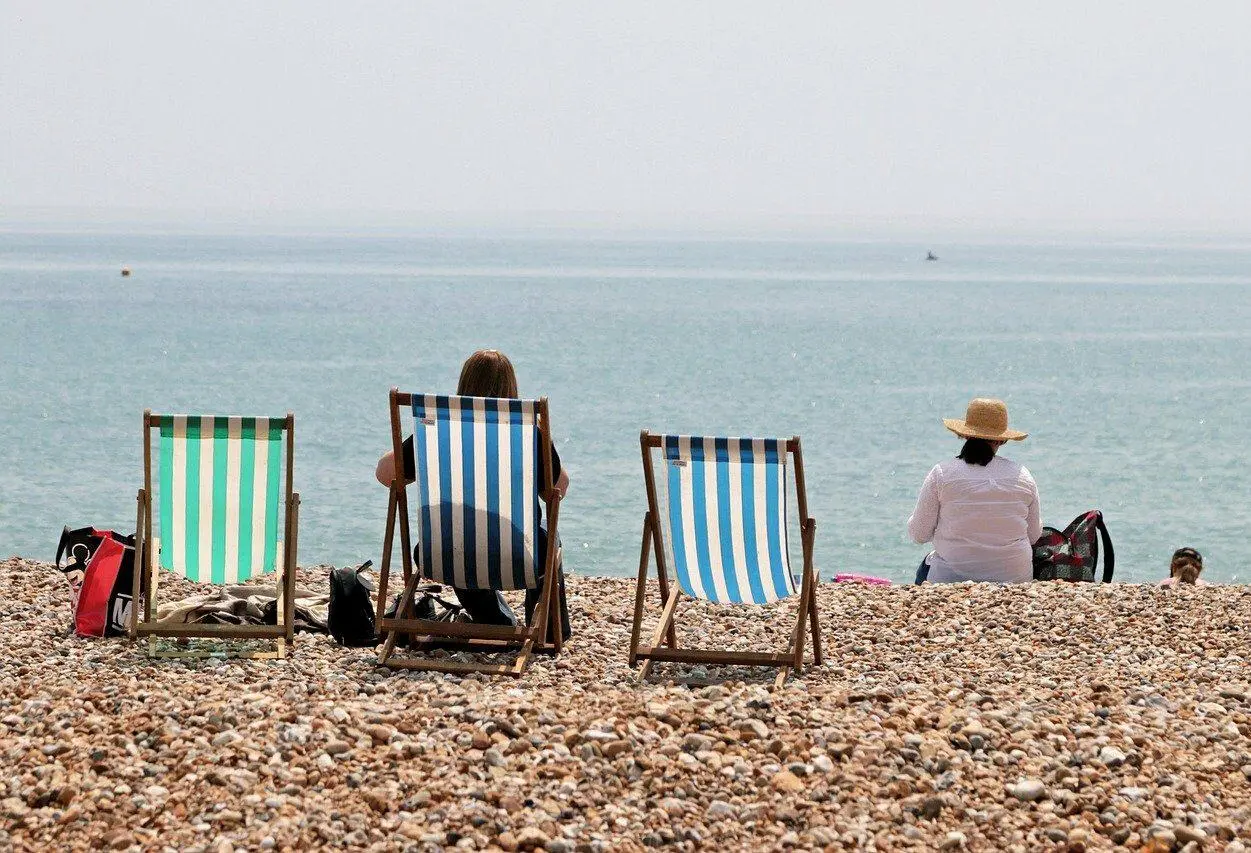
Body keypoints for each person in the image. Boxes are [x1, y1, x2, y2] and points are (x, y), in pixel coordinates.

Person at [375, 349, 571, 639]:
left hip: (442, 553)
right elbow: (558, 490)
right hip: (521, 556)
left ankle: (498, 623)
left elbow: (384, 473)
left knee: (462, 539)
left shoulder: (438, 431)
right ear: (512, 388)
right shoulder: (529, 431)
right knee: (549, 538)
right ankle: (549, 632)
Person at [907, 398, 1041, 584]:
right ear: (1002, 440)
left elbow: (919, 534)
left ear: (964, 435)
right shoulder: (1023, 475)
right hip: (1015, 579)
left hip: (949, 579)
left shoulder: (942, 473)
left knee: (926, 566)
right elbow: (1034, 536)